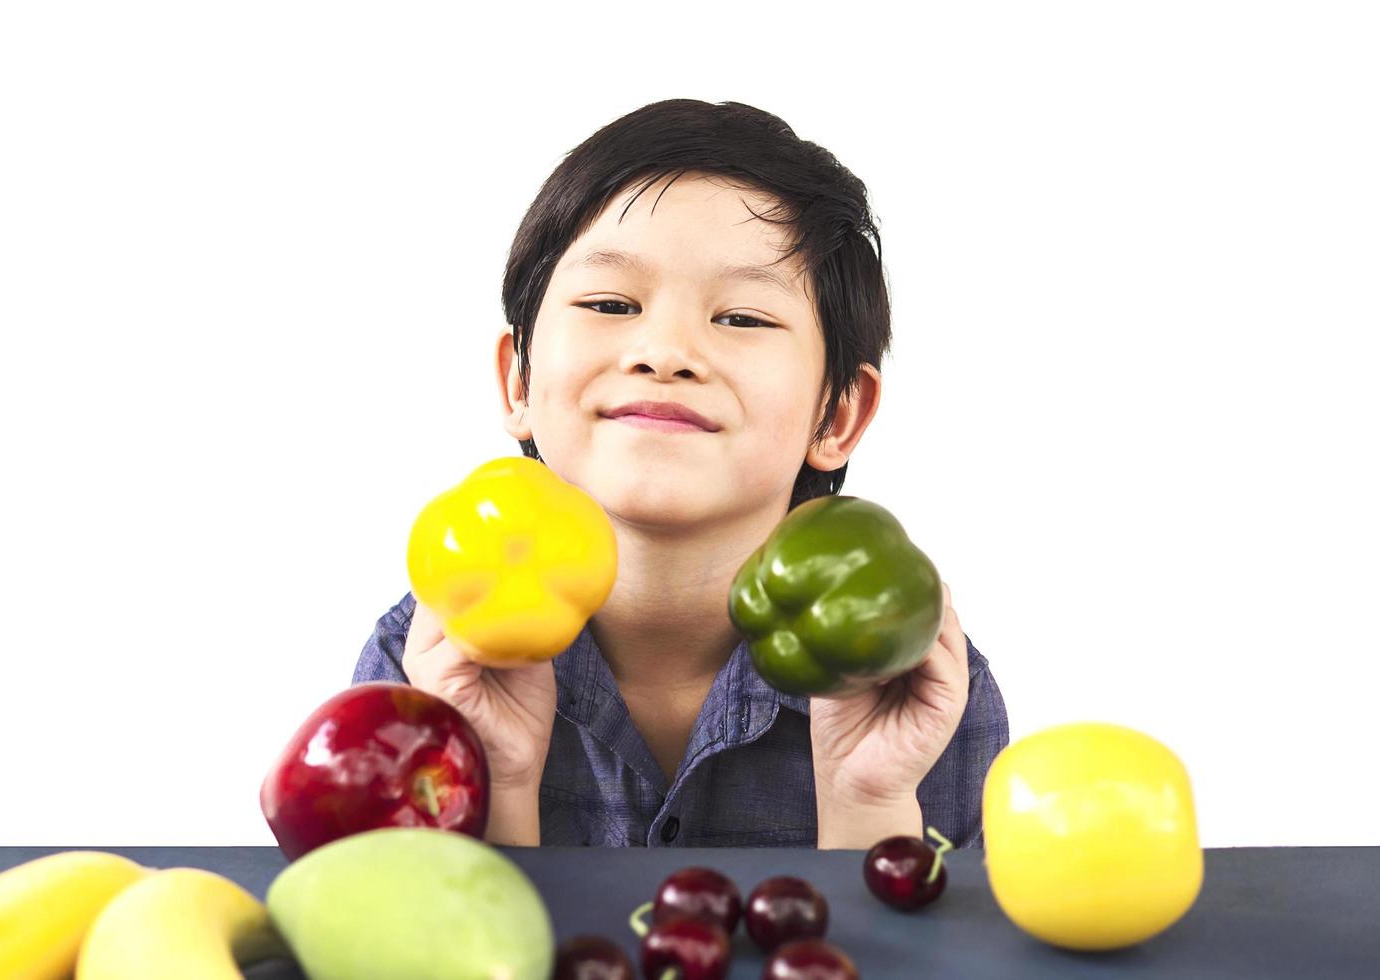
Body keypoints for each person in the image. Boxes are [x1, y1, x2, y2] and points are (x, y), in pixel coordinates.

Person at [353, 99, 1009, 849]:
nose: (664, 351)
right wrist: (494, 782)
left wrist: (868, 799)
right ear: (520, 382)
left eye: (742, 318)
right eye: (609, 303)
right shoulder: (422, 661)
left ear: (838, 415)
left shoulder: (921, 688)